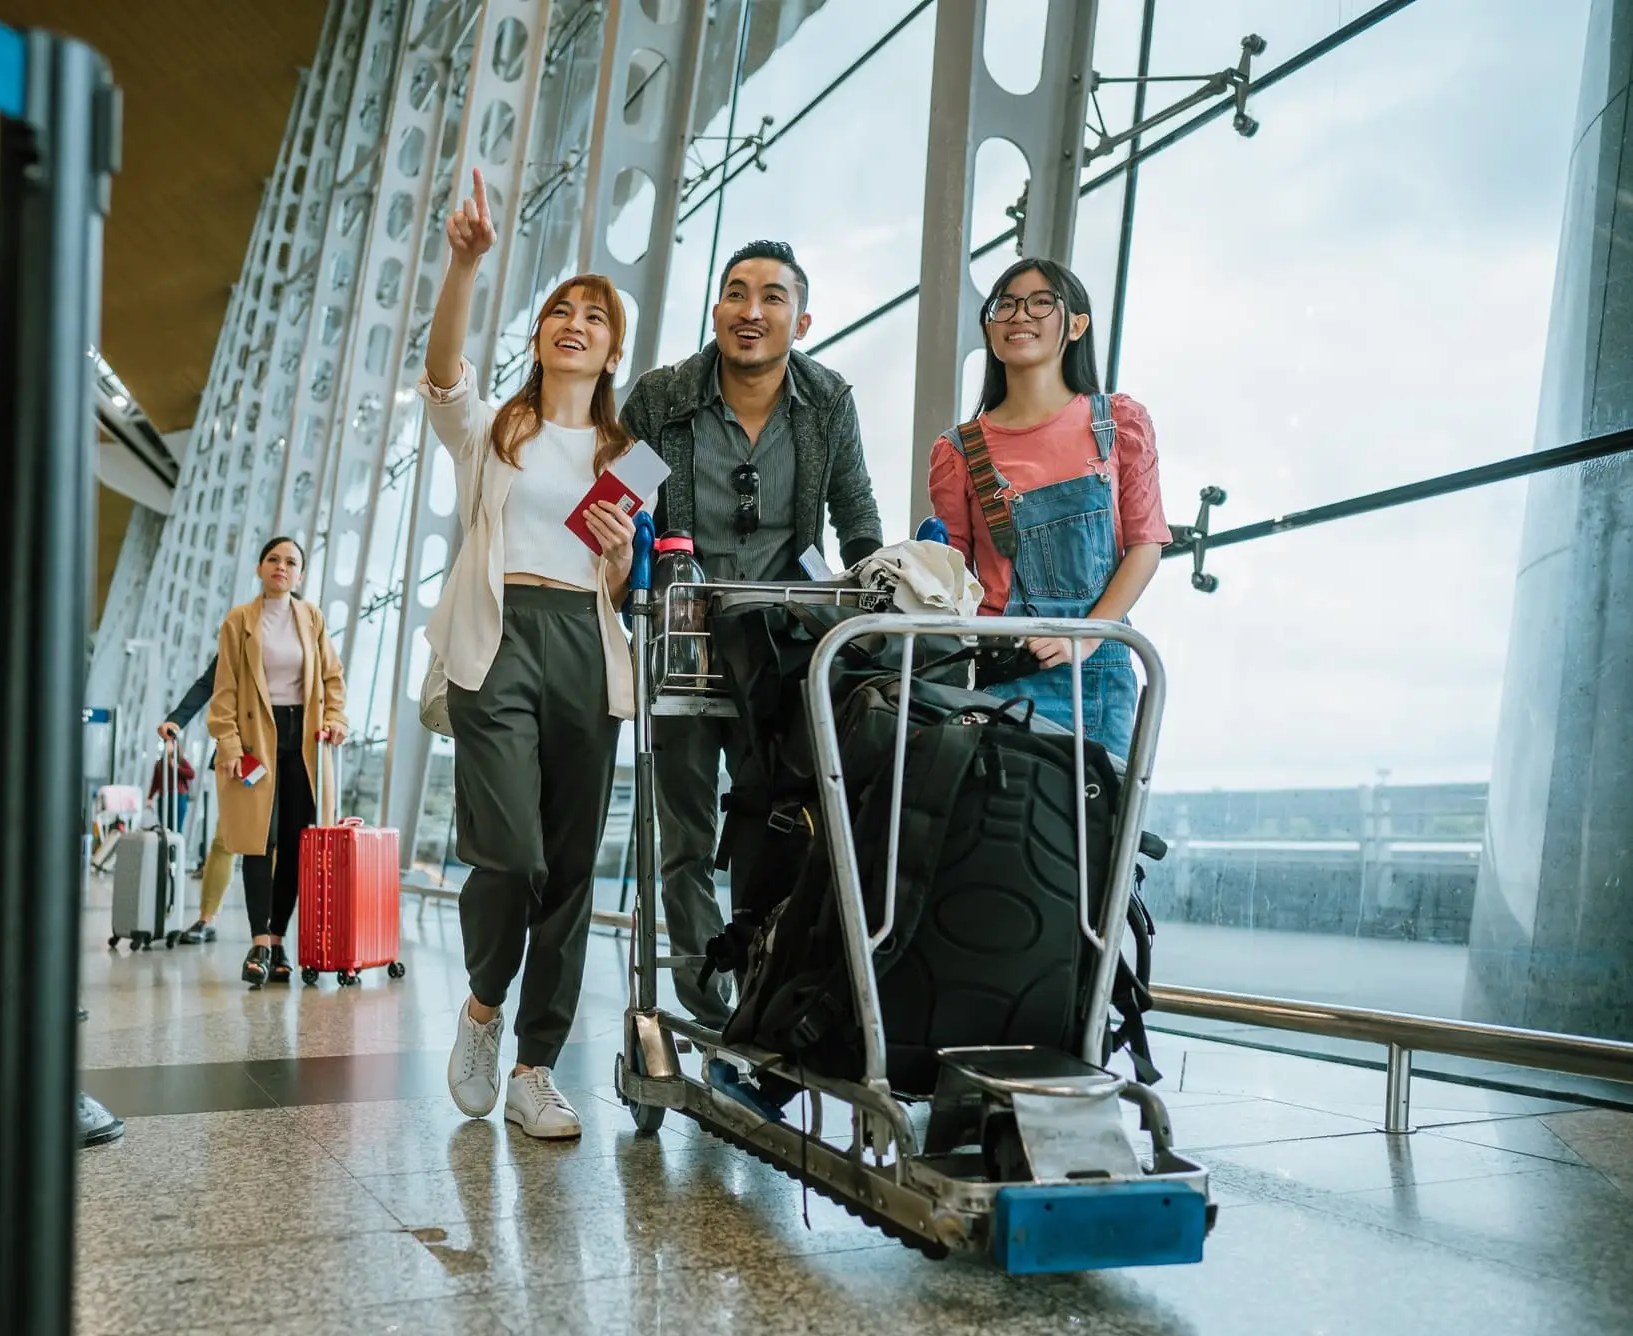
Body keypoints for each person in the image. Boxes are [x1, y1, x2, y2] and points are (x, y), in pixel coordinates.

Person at [618, 238, 882, 1051]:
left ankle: (770, 975)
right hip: (687, 640)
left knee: (782, 819)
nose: (751, 310)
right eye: (737, 292)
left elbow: (856, 512)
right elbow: (618, 500)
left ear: (801, 318)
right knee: (686, 829)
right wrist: (634, 556)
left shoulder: (828, 399)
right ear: (717, 309)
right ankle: (705, 992)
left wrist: (874, 585)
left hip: (779, 649)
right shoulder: (662, 397)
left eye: (772, 296)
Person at [425, 169, 638, 1142]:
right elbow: (442, 375)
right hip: (499, 635)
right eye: (561, 309)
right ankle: (481, 1005)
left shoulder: (630, 456)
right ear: (543, 333)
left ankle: (534, 1065)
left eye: (594, 315)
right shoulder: (497, 432)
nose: (575, 321)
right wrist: (464, 263)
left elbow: (612, 570)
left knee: (569, 870)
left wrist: (626, 563)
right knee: (510, 850)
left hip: (583, 645)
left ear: (611, 346)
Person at [926, 257, 1166, 760]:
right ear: (989, 327)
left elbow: (1145, 546)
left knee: (1097, 828)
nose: (1020, 316)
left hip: (1098, 673)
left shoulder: (1118, 424)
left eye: (1040, 303)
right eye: (1005, 305)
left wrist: (1086, 638)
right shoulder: (958, 452)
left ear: (1076, 324)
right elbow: (947, 580)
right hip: (1002, 674)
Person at [207, 536, 348, 987]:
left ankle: (280, 937)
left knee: (295, 844)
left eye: (291, 562)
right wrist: (228, 744)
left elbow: (332, 676)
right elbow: (224, 687)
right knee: (254, 840)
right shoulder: (239, 621)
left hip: (305, 740)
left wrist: (336, 718)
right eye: (273, 559)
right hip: (255, 742)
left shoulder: (311, 618)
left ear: (300, 575)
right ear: (259, 568)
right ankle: (259, 942)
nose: (281, 567)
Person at [156, 674, 233, 945]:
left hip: (285, 750)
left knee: (276, 842)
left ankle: (273, 930)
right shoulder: (237, 633)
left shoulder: (303, 633)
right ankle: (206, 918)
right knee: (226, 839)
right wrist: (176, 719)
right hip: (238, 751)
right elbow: (208, 682)